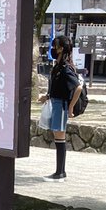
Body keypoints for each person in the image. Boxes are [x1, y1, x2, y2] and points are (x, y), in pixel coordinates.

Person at [39, 34, 82, 182]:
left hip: (61, 106)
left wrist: (70, 108)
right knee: (58, 137)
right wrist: (47, 96)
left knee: (60, 138)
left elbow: (78, 88)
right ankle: (59, 171)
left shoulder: (65, 68)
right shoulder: (58, 67)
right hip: (56, 103)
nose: (52, 49)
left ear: (61, 48)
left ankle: (60, 173)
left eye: (55, 46)